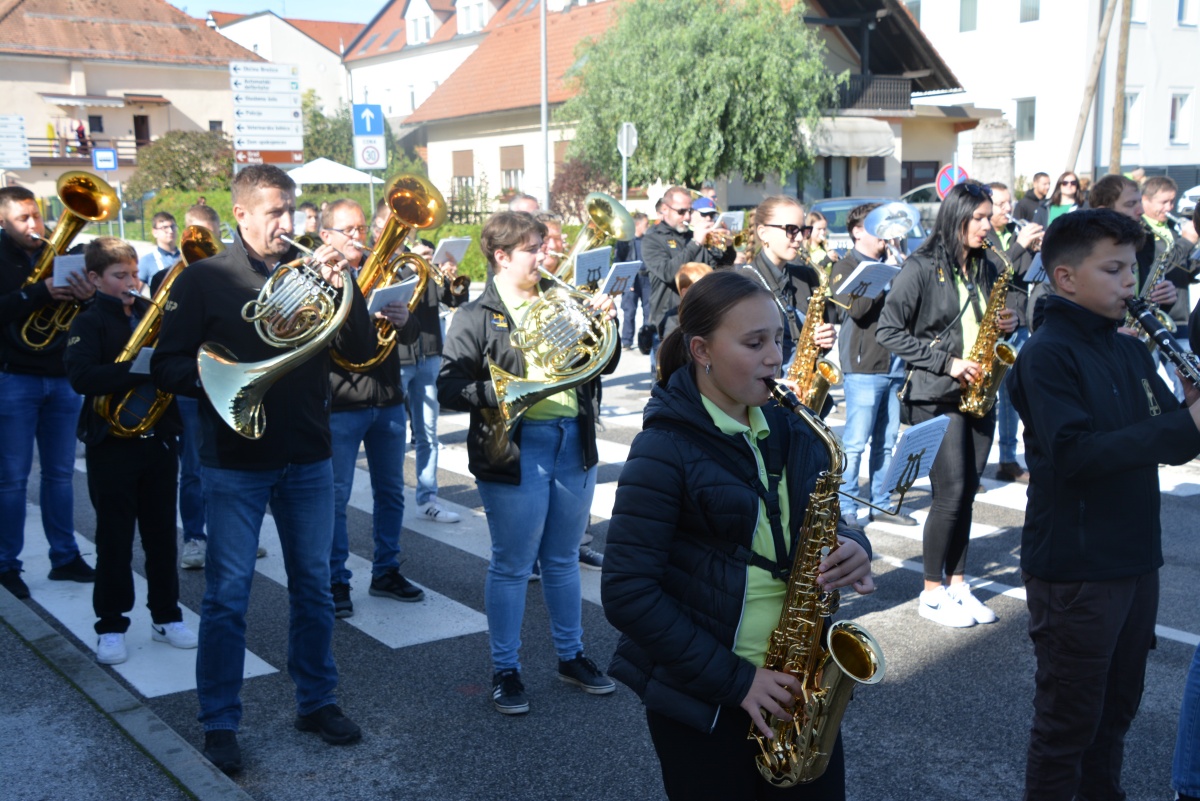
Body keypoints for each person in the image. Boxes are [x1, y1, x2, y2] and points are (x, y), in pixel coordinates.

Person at [602, 270, 875, 801]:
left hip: (798, 689)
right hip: (706, 701)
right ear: (701, 350)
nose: (776, 357)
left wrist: (853, 545)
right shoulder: (662, 450)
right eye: (755, 343)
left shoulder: (795, 428)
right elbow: (628, 593)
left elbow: (827, 518)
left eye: (778, 338)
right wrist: (739, 682)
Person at [152, 164, 375, 773]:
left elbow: (356, 354)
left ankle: (316, 701)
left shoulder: (314, 274)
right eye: (274, 211)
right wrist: (226, 379)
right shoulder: (203, 279)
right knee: (227, 596)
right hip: (235, 459)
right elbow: (167, 365)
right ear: (243, 214)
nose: (286, 223)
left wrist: (347, 284)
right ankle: (220, 722)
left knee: (313, 587)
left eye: (291, 211)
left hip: (306, 450)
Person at [1006, 208, 1200, 800]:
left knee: (1115, 717)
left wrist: (1189, 412)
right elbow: (1076, 456)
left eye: (1133, 269)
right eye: (1114, 269)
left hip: (1135, 560)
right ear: (1066, 279)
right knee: (1068, 726)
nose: (1130, 283)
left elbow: (1169, 438)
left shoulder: (1131, 351)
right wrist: (1183, 423)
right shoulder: (1046, 355)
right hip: (1078, 570)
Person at [438, 211, 619, 716]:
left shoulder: (561, 303)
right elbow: (449, 388)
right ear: (501, 255)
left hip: (572, 440)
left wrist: (606, 324)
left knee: (562, 560)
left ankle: (571, 655)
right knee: (514, 565)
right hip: (516, 447)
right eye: (534, 249)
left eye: (544, 246)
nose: (546, 256)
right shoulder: (475, 316)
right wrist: (506, 390)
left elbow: (605, 362)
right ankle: (506, 669)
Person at [877, 181, 1018, 628]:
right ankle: (932, 593)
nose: (987, 225)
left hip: (978, 391)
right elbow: (889, 330)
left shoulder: (986, 266)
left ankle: (958, 583)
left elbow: (986, 322)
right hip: (935, 393)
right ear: (956, 217)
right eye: (978, 217)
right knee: (950, 494)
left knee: (968, 494)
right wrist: (948, 362)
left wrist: (1007, 326)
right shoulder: (920, 266)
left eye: (989, 216)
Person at [63, 237, 196, 665]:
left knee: (161, 538)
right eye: (120, 276)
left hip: (156, 439)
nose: (131, 282)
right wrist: (135, 368)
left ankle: (166, 616)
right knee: (114, 540)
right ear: (95, 278)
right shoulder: (87, 323)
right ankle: (112, 625)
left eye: (134, 274)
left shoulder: (146, 313)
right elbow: (82, 377)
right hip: (111, 445)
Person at [321, 199, 422, 619]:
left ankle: (386, 570)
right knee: (336, 496)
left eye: (361, 228)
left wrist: (403, 319)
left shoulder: (387, 270)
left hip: (387, 397)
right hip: (342, 401)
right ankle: (335, 579)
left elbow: (413, 334)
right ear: (327, 236)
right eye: (347, 229)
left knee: (392, 492)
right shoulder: (320, 278)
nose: (357, 237)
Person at [0, 186, 96, 600]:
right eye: (22, 218)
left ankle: (65, 556)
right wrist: (39, 293)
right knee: (11, 480)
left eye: (36, 216)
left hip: (59, 376)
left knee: (59, 475)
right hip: (14, 377)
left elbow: (81, 315)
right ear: (3, 220)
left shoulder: (57, 254)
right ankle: (6, 564)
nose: (34, 226)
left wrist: (85, 298)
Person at [832, 203, 916, 528]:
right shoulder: (845, 265)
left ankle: (881, 502)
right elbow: (856, 309)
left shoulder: (894, 262)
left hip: (895, 362)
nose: (884, 236)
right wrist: (885, 276)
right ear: (856, 231)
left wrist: (905, 272)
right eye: (875, 227)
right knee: (855, 443)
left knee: (886, 439)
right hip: (864, 365)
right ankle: (846, 505)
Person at [397, 236, 466, 526]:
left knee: (428, 433)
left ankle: (427, 499)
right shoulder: (394, 266)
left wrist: (451, 274)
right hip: (398, 357)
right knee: (391, 434)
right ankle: (389, 499)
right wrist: (414, 267)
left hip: (429, 354)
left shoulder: (429, 271)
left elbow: (454, 301)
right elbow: (392, 297)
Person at [985, 182, 1044, 483]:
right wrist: (1021, 244)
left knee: (1014, 398)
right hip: (993, 329)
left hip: (1018, 323)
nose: (1008, 208)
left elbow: (1023, 277)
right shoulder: (987, 237)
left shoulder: (1011, 234)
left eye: (1009, 203)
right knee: (986, 399)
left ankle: (1007, 459)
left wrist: (1039, 251)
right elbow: (994, 269)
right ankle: (974, 464)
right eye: (1002, 204)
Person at [740, 195, 836, 369]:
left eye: (803, 230)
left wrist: (825, 340)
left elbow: (815, 346)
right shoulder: (743, 283)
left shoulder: (809, 276)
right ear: (763, 233)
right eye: (791, 229)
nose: (799, 238)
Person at [642, 185, 731, 367]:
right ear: (665, 209)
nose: (688, 217)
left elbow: (721, 266)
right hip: (670, 321)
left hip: (702, 316)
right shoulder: (652, 239)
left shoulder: (693, 235)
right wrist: (695, 242)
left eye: (689, 211)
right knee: (669, 380)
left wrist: (728, 245)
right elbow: (668, 272)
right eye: (681, 212)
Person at [1142, 176, 1199, 400]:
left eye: (1172, 202)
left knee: (1187, 387)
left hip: (1179, 318)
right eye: (1163, 202)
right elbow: (1162, 263)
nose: (1169, 208)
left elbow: (1185, 271)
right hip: (1151, 321)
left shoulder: (1172, 228)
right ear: (1145, 200)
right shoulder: (1144, 233)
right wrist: (1186, 241)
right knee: (1147, 389)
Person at [616, 211, 650, 350]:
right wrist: (626, 281)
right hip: (631, 280)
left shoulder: (648, 240)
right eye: (646, 224)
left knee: (648, 312)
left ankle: (646, 342)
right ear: (637, 224)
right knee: (629, 311)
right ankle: (627, 341)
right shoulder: (624, 240)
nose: (648, 226)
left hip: (646, 279)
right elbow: (618, 261)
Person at [137, 212, 181, 286]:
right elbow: (136, 294)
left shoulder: (184, 256)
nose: (170, 231)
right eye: (165, 228)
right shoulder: (146, 261)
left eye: (173, 226)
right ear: (155, 232)